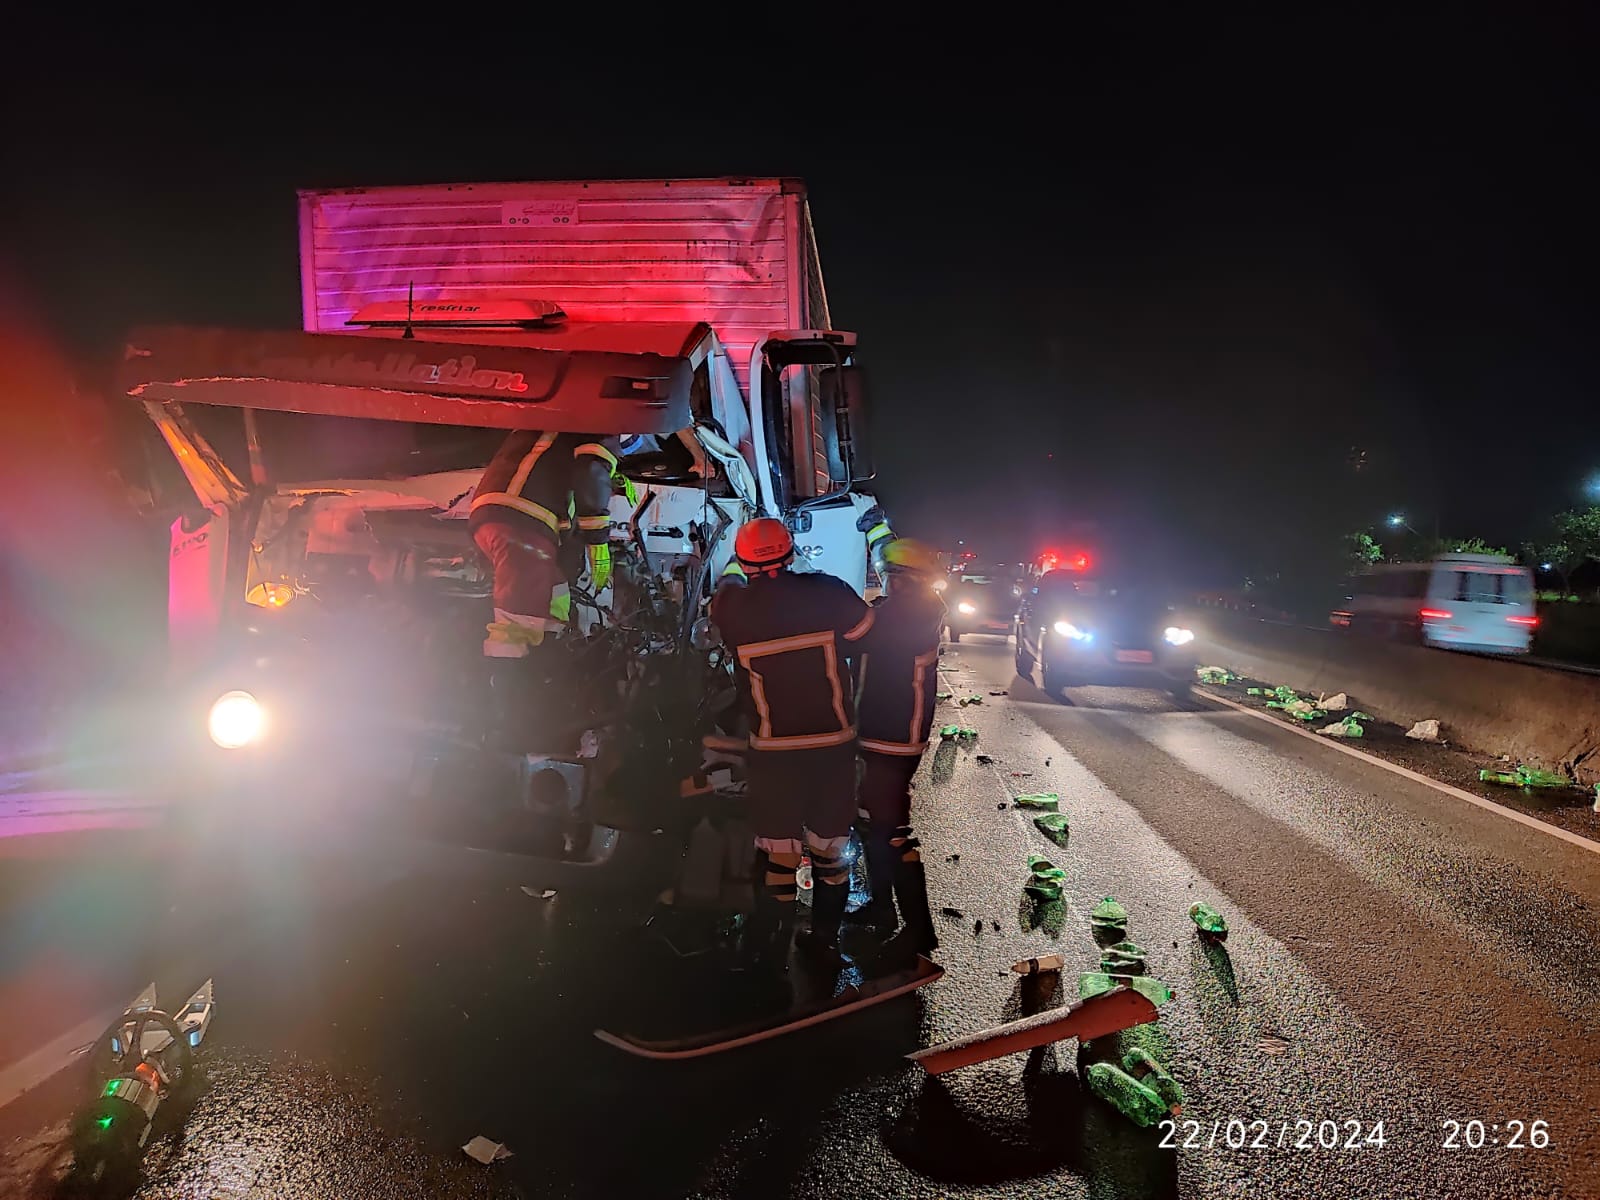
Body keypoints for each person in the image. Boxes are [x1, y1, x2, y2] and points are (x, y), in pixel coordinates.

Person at [710, 517, 875, 973]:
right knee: (830, 847)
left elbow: (723, 591)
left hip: (774, 751)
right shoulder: (827, 592)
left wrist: (731, 572)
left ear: (745, 560)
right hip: (832, 746)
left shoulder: (731, 607)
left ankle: (767, 946)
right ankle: (822, 941)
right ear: (791, 550)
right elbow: (868, 636)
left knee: (779, 852)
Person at [469, 431, 620, 746]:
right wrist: (598, 541)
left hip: (507, 513)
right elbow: (592, 471)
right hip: (522, 515)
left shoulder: (566, 415)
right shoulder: (603, 417)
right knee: (516, 624)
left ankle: (549, 673)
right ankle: (507, 725)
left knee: (555, 594)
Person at [854, 538, 946, 966]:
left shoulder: (908, 615)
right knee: (873, 826)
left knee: (891, 832)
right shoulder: (911, 610)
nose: (885, 583)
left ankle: (918, 929)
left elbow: (853, 635)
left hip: (892, 736)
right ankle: (882, 909)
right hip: (881, 733)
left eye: (891, 576)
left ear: (907, 580)